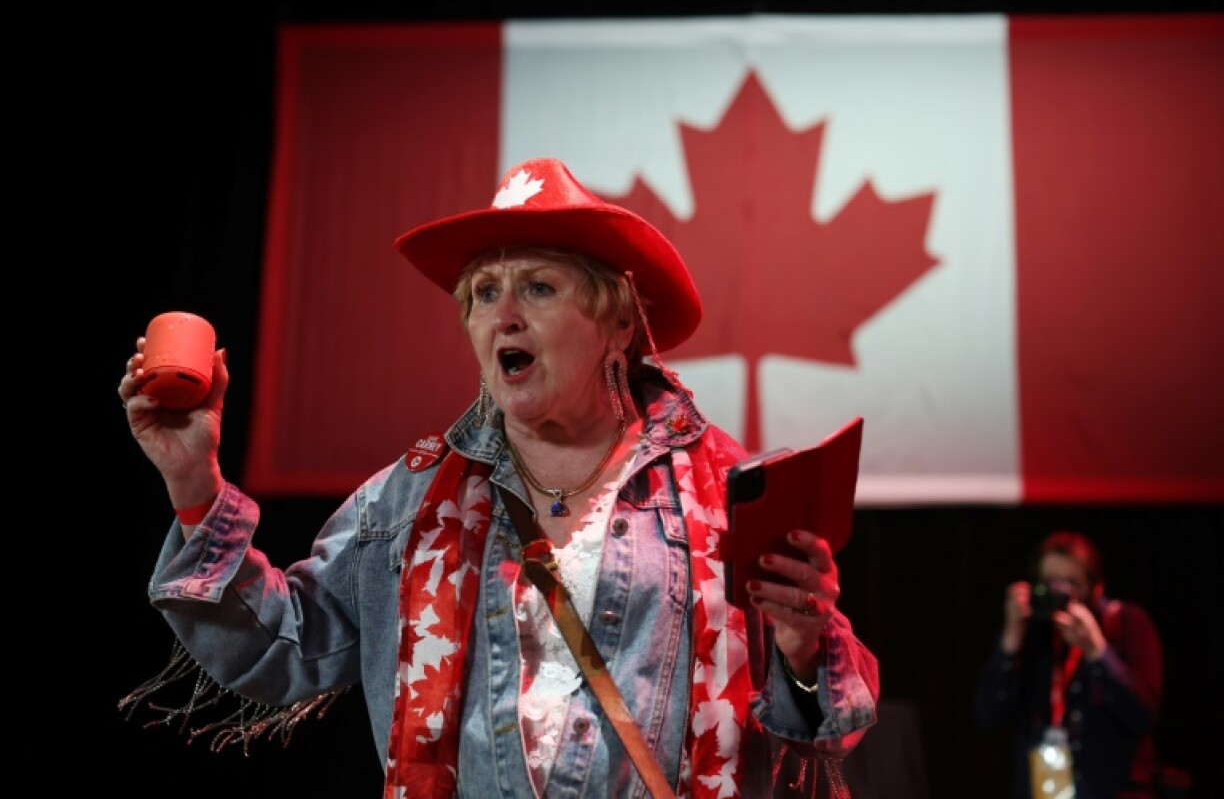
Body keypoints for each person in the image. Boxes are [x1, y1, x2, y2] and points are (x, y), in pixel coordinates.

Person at [117, 157, 880, 798]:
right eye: (485, 293)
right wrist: (194, 485)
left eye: (539, 289)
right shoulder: (409, 501)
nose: (503, 316)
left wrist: (805, 653)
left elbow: (820, 732)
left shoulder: (724, 491)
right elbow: (282, 649)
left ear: (618, 323)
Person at [973, 530, 1164, 799]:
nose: (1060, 593)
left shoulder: (1127, 623)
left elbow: (1143, 715)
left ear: (1097, 587)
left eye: (1072, 583)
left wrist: (1096, 651)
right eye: (1051, 582)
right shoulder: (1033, 632)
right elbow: (988, 715)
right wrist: (1011, 637)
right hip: (1044, 790)